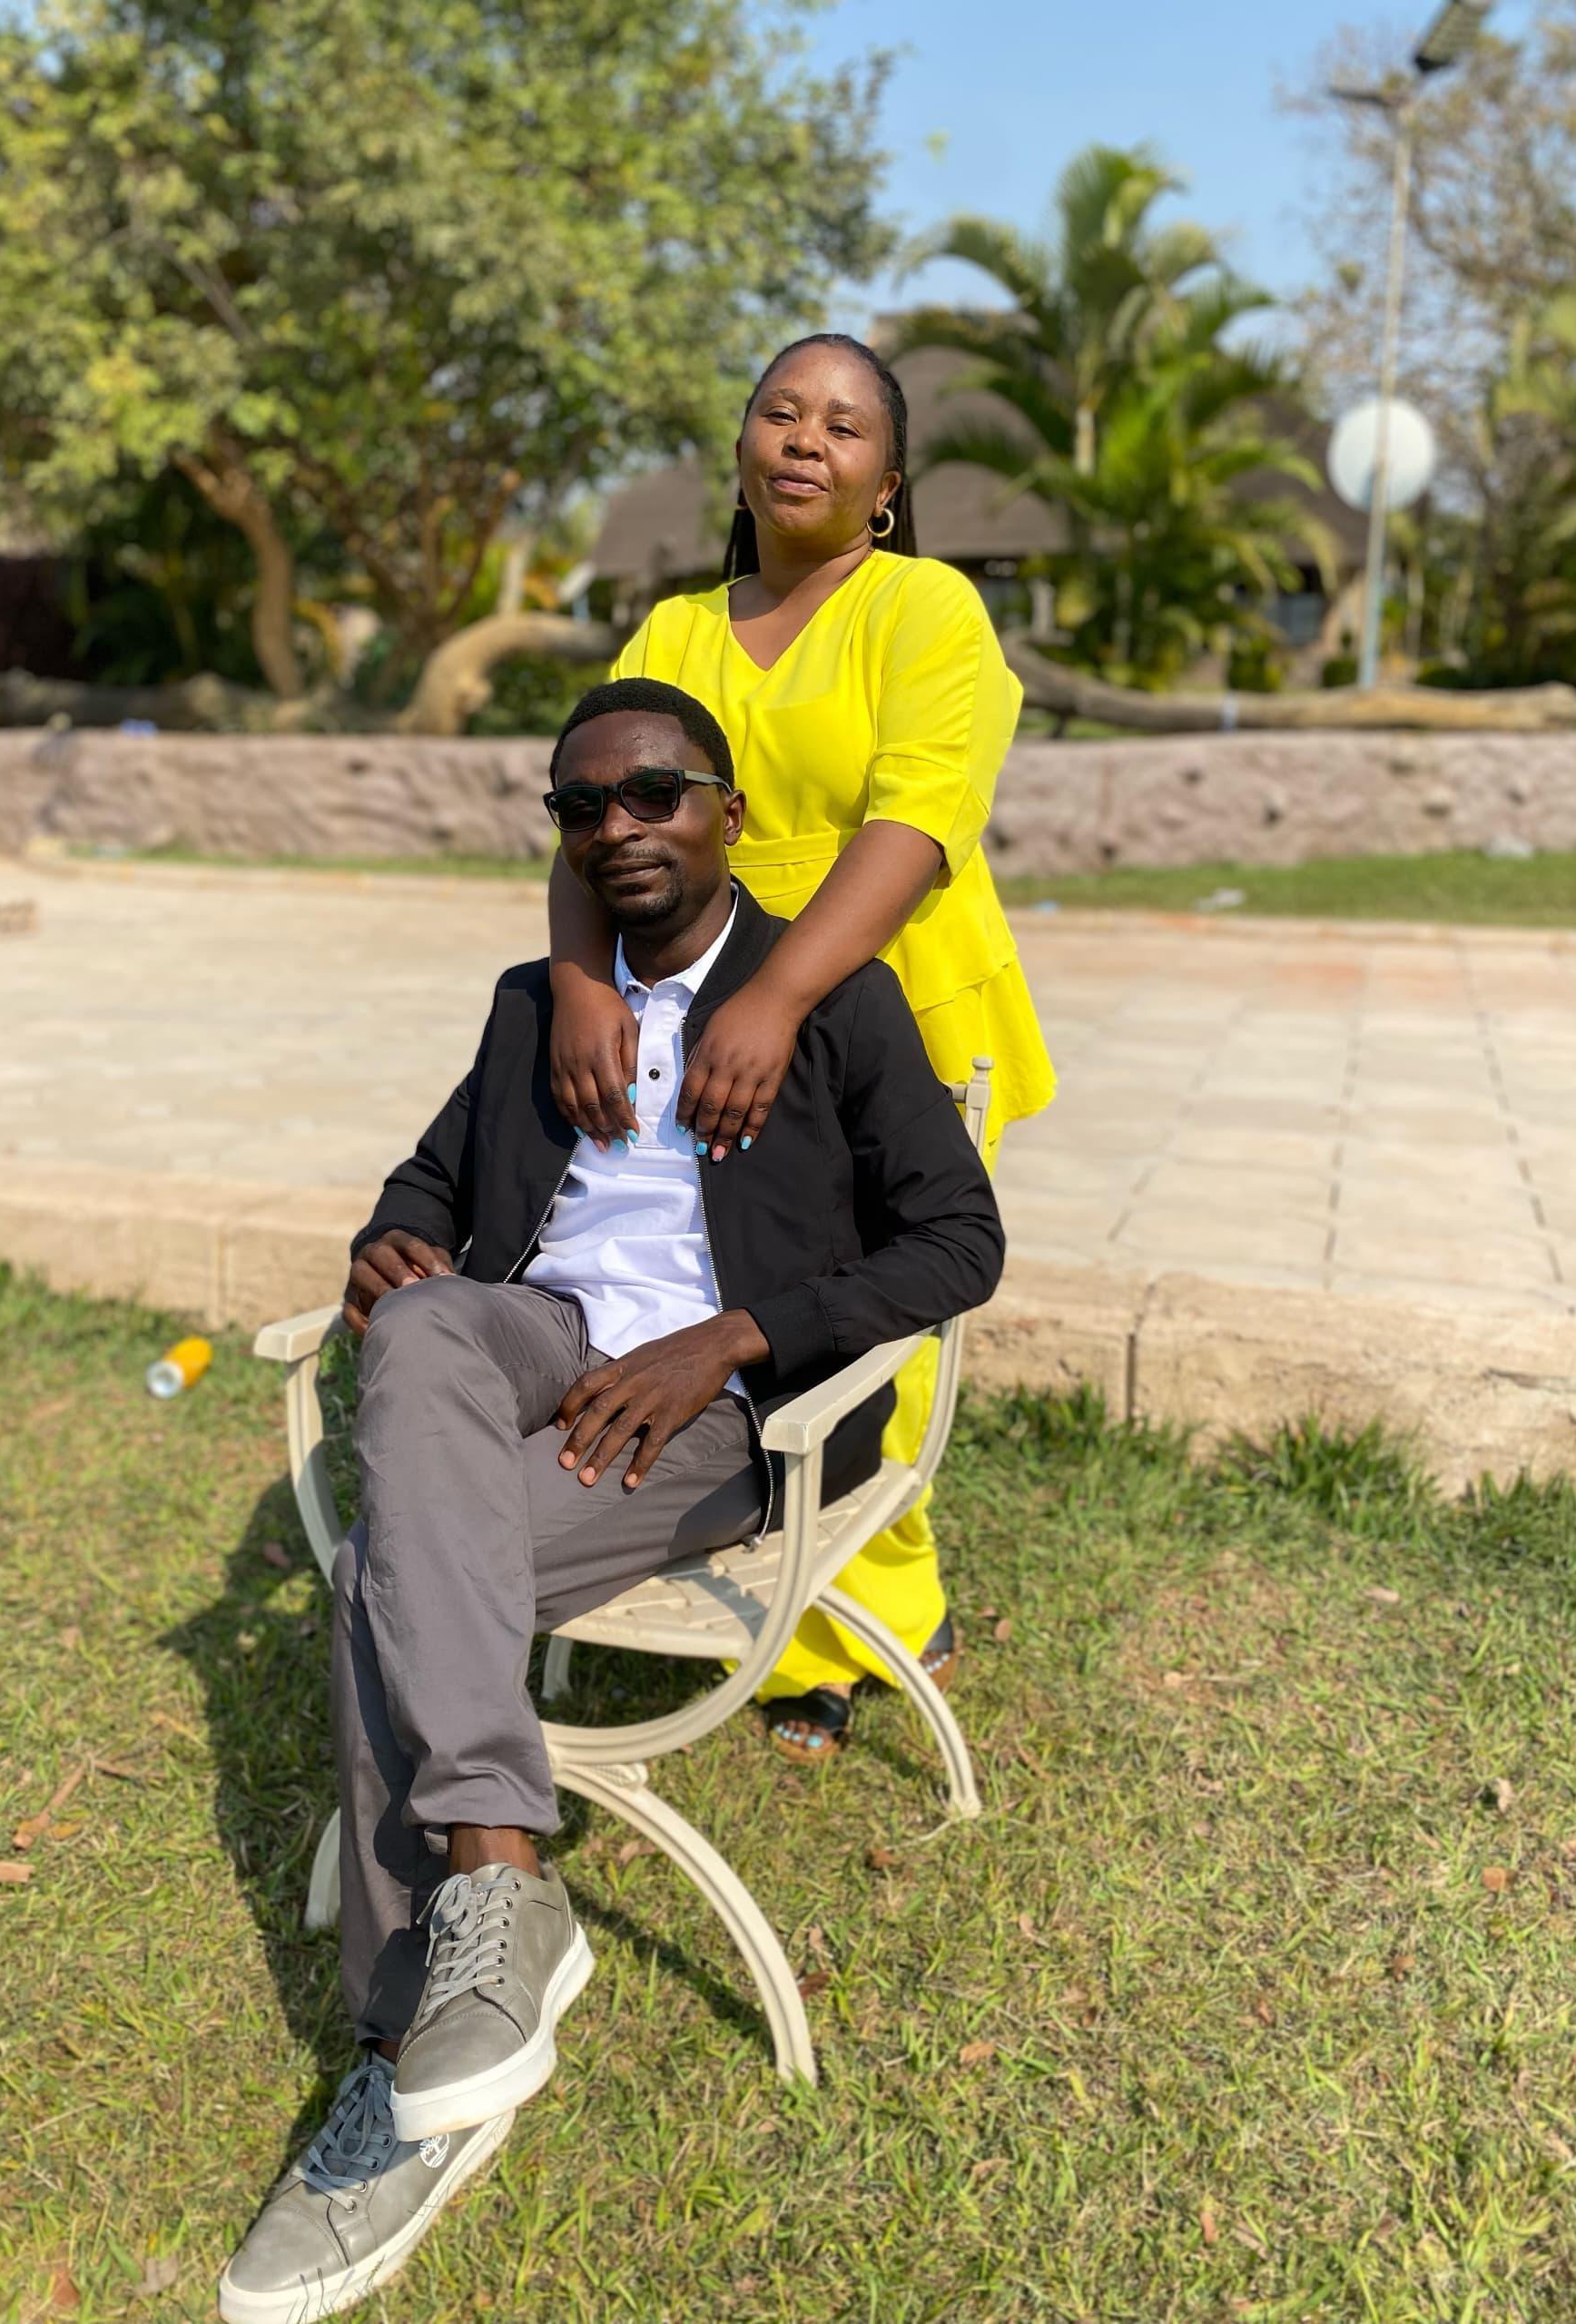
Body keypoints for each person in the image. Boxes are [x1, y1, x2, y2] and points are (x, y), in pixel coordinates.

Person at [219, 677, 1005, 2324]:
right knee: (424, 1324)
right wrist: (389, 1243)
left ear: (726, 814)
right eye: (585, 807)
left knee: (378, 1572)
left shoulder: (832, 1005)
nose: (621, 826)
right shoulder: (538, 1004)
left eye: (656, 793)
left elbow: (959, 1241)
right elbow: (433, 1182)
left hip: (715, 1409)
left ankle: (399, 2065)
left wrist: (734, 1338)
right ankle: (501, 1885)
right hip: (543, 1340)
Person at [548, 331, 1056, 1763]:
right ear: (741, 450)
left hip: (891, 1016)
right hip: (699, 1031)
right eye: (781, 412)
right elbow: (591, 807)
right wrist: (580, 984)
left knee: (874, 1328)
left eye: (843, 425)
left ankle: (840, 1633)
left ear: (887, 482)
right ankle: (803, 1583)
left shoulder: (926, 609)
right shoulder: (670, 634)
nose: (805, 439)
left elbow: (916, 823)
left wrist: (773, 1000)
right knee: (738, 1288)